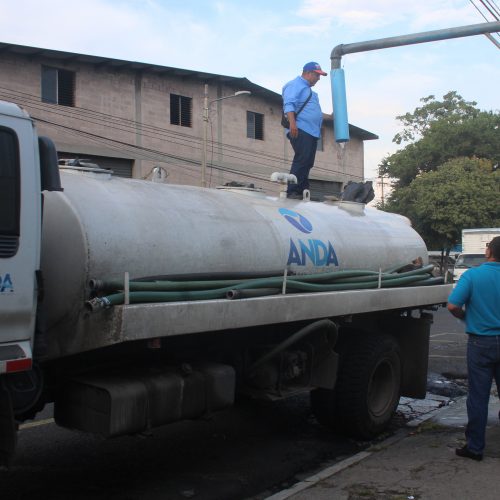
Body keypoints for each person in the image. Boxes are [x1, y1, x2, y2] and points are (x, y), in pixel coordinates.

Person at [447, 235, 500, 461]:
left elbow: (452, 305)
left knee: (478, 397)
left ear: (489, 252)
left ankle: (475, 447)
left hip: (481, 343)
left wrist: (466, 317)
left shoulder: (472, 275)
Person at [282, 62, 326, 199]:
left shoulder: (309, 91)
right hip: (300, 129)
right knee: (302, 159)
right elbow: (289, 105)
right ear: (308, 73)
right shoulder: (295, 85)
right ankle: (293, 190)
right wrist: (293, 124)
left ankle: (302, 190)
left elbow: (313, 111)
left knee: (308, 162)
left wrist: (331, 117)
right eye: (317, 75)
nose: (318, 79)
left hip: (311, 132)